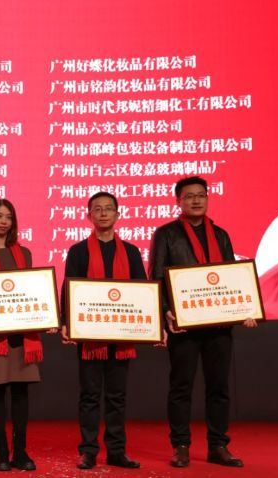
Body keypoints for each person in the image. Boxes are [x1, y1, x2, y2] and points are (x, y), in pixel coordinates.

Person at [149, 176, 258, 468]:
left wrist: (246, 308)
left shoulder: (221, 235)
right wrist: (165, 311)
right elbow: (156, 277)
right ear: (178, 201)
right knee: (181, 387)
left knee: (219, 387)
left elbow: (232, 277)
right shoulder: (166, 234)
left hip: (218, 325)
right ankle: (180, 446)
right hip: (183, 324)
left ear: (208, 198)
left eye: (201, 195)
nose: (196, 200)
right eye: (189, 196)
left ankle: (218, 445)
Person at [0, 199, 55, 472]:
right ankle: (1, 453)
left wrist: (48, 316)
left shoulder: (24, 253)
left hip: (22, 335)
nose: (4, 221)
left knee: (20, 393)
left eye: (8, 217)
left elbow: (32, 290)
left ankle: (20, 452)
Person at [60, 192, 145, 470]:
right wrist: (66, 321)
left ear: (118, 215)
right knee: (90, 396)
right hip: (90, 336)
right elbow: (68, 287)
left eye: (109, 209)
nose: (104, 213)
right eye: (98, 209)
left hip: (121, 335)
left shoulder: (131, 252)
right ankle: (88, 451)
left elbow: (142, 291)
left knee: (117, 397)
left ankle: (117, 451)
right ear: (89, 216)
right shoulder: (78, 251)